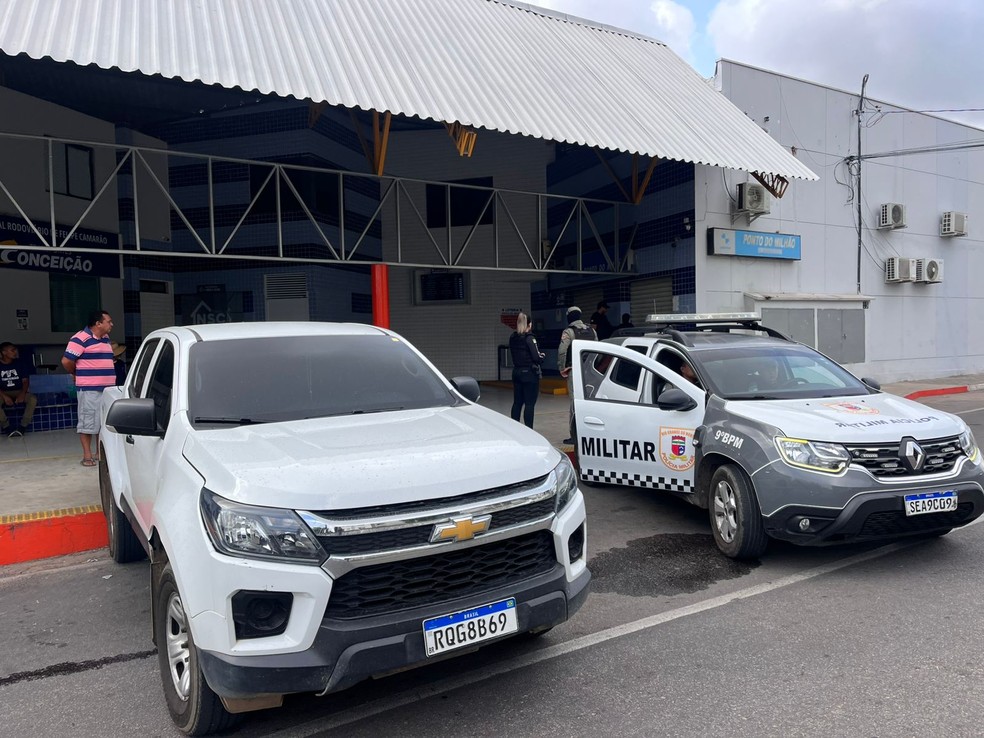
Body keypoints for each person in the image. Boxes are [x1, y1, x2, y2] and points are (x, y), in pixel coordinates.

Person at [62, 310, 116, 467]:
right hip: (89, 389)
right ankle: (87, 456)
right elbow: (66, 361)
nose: (111, 324)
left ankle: (99, 454)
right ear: (98, 323)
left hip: (107, 389)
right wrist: (75, 373)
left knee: (103, 423)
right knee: (88, 422)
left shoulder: (105, 338)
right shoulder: (80, 338)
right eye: (109, 321)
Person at [557, 306, 597, 444]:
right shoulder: (592, 330)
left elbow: (562, 351)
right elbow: (598, 350)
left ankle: (575, 436)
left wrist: (562, 368)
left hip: (575, 371)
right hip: (591, 373)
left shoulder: (569, 332)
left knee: (575, 403)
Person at [508, 311, 544, 428]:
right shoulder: (530, 338)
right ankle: (529, 430)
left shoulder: (513, 337)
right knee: (529, 404)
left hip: (516, 372)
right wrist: (541, 357)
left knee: (517, 402)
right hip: (529, 374)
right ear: (529, 324)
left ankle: (515, 428)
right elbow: (535, 357)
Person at [0, 341, 37, 438]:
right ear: (4, 352)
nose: (15, 352)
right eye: (12, 350)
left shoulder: (20, 363)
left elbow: (25, 381)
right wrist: (4, 396)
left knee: (32, 399)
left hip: (18, 391)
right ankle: (7, 427)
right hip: (2, 393)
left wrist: (22, 393)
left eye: (15, 350)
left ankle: (22, 427)